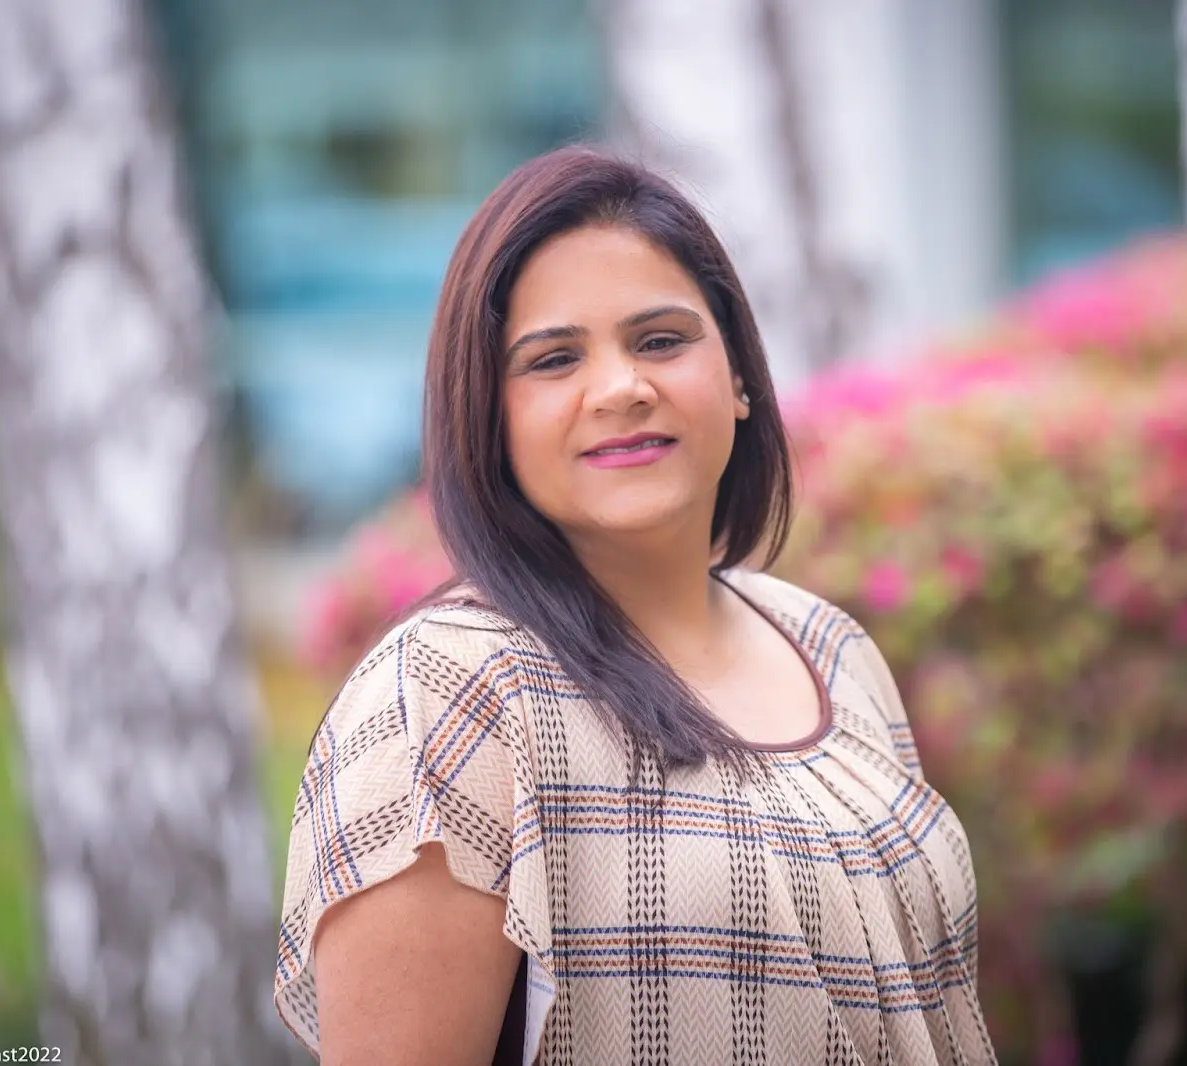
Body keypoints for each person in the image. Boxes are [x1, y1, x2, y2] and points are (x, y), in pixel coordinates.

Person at [273, 145, 996, 1065]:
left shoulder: (829, 646)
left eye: (660, 339)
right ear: (488, 419)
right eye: (553, 359)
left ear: (738, 378)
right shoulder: (448, 696)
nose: (621, 388)